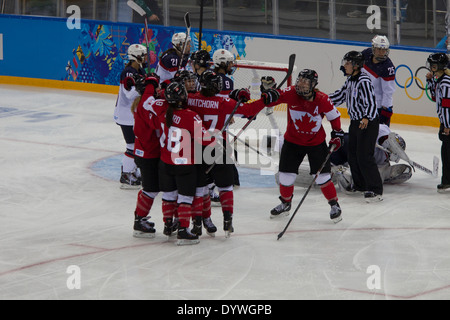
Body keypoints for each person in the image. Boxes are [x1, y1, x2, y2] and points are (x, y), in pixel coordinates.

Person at [187, 70, 280, 237]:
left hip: (194, 148)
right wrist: (264, 99)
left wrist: (235, 95)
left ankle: (198, 221)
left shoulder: (191, 99)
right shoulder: (224, 103)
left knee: (201, 188)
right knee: (225, 186)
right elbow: (249, 110)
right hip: (218, 148)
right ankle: (227, 219)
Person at [269, 69, 344, 223]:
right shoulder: (290, 93)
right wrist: (269, 91)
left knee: (322, 177)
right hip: (292, 142)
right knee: (285, 176)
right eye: (300, 80)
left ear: (313, 84)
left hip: (316, 144)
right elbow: (273, 100)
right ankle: (285, 203)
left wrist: (337, 134)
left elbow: (334, 116)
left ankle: (334, 205)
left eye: (305, 82)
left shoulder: (322, 99)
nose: (301, 84)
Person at [148, 81, 210, 245]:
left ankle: (168, 226)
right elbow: (204, 139)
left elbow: (153, 102)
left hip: (165, 163)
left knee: (168, 195)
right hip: (184, 165)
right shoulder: (191, 116)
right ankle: (183, 230)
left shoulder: (162, 109)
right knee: (185, 198)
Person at [329, 50, 383, 202]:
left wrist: (366, 117)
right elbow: (339, 96)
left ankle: (376, 190)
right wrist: (322, 100)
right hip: (355, 122)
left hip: (367, 122)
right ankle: (360, 185)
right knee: (353, 155)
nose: (344, 66)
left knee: (365, 157)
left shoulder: (364, 81)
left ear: (356, 65)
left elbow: (371, 102)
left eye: (347, 63)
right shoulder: (350, 81)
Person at [331, 124, 413, 191]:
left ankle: (340, 172)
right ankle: (335, 170)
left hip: (352, 156)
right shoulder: (383, 129)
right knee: (323, 175)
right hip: (346, 143)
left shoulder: (381, 157)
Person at [131, 74, 161, 238]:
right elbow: (157, 123)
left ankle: (140, 217)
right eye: (155, 88)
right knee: (151, 188)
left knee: (152, 188)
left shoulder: (141, 103)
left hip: (145, 152)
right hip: (148, 154)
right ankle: (139, 220)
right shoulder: (144, 104)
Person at [114, 43, 147, 189]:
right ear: (137, 56)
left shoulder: (140, 70)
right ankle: (126, 174)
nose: (146, 57)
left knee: (138, 145)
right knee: (132, 146)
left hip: (134, 115)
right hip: (126, 115)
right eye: (144, 54)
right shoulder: (128, 73)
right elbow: (129, 95)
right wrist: (142, 86)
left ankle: (133, 171)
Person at [425, 52, 450, 193]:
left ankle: (447, 180)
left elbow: (447, 106)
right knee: (445, 152)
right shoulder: (440, 81)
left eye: (433, 65)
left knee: (448, 153)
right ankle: (446, 180)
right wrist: (429, 81)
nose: (430, 67)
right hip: (446, 122)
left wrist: (447, 125)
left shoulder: (446, 83)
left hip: (448, 123)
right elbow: (435, 97)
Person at [361, 35, 396, 126]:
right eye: (379, 49)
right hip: (363, 104)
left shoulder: (388, 67)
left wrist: (385, 112)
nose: (381, 52)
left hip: (377, 107)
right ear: (373, 48)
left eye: (384, 50)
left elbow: (388, 92)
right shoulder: (366, 54)